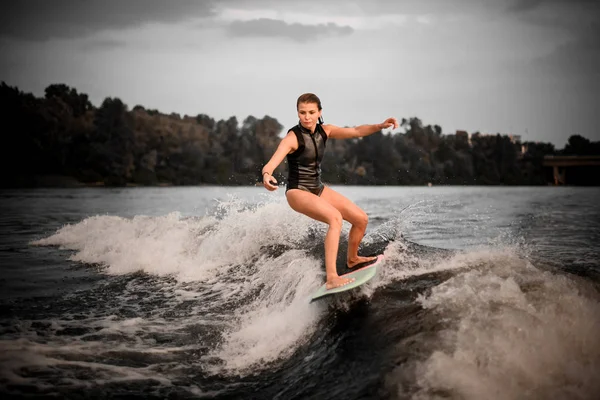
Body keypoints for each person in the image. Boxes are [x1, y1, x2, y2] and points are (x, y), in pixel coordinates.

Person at [261, 93, 399, 289]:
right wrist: (267, 175)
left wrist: (379, 126)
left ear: (319, 112)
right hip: (297, 191)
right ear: (297, 113)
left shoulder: (326, 131)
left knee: (361, 219)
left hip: (317, 188)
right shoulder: (292, 137)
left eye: (311, 112)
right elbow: (271, 163)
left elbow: (357, 131)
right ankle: (332, 277)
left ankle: (352, 259)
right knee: (335, 218)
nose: (307, 117)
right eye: (302, 112)